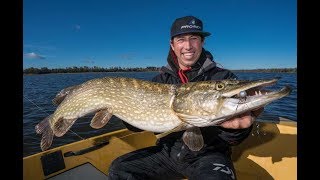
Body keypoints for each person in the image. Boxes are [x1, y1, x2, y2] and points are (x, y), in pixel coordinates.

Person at [108, 15, 263, 180]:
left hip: (209, 155)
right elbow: (137, 126)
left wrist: (234, 129)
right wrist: (116, 106)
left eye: (194, 38)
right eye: (181, 39)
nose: (188, 46)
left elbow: (233, 139)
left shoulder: (223, 77)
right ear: (172, 45)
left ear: (202, 42)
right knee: (119, 169)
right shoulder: (160, 82)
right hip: (166, 153)